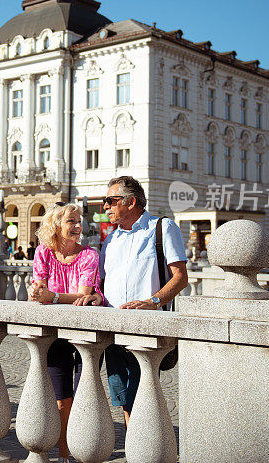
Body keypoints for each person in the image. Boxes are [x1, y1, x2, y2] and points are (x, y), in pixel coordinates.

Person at [88, 176, 187, 427]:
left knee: (143, 394)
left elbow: (180, 278)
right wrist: (95, 297)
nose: (106, 207)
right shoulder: (110, 240)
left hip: (146, 328)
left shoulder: (163, 228)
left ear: (131, 202)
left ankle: (149, 446)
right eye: (105, 201)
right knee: (123, 397)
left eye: (110, 201)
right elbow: (103, 284)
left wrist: (153, 301)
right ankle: (137, 445)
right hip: (113, 331)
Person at [28, 202, 104, 462]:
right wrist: (39, 293)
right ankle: (63, 455)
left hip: (85, 334)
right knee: (62, 399)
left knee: (85, 396)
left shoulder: (89, 255)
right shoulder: (43, 253)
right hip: (57, 334)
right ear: (56, 225)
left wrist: (52, 295)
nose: (78, 226)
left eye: (79, 221)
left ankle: (85, 451)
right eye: (71, 221)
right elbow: (39, 290)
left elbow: (83, 296)